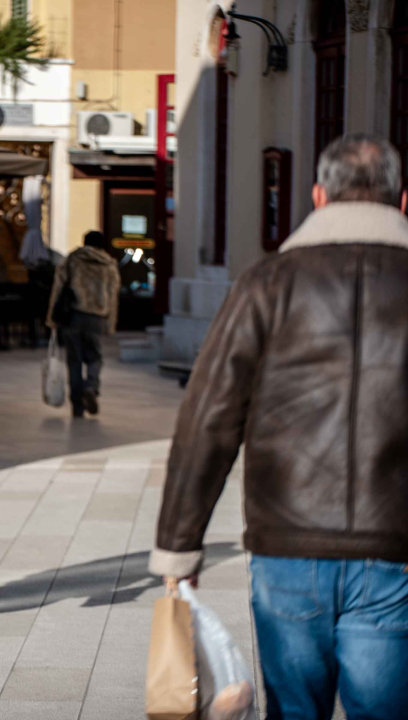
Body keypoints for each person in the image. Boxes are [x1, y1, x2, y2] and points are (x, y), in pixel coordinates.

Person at [150, 134, 408, 720]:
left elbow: (208, 418)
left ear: (318, 196)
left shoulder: (266, 282)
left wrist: (179, 546)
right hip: (395, 547)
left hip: (286, 543)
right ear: (402, 200)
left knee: (294, 710)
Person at [45, 230, 121, 418]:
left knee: (74, 361)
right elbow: (113, 296)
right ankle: (91, 387)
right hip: (97, 318)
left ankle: (77, 406)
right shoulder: (109, 265)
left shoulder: (72, 260)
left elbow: (58, 288)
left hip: (73, 316)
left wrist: (51, 318)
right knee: (95, 357)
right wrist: (111, 323)